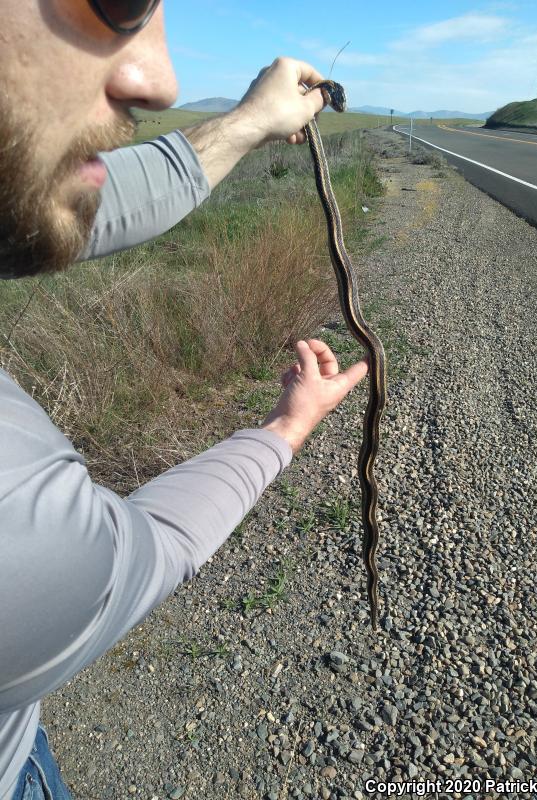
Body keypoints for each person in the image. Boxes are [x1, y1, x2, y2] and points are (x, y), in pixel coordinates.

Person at [0, 2, 370, 798]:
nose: (160, 80)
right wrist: (286, 426)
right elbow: (152, 546)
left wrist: (244, 124)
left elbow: (56, 191)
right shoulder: (18, 528)